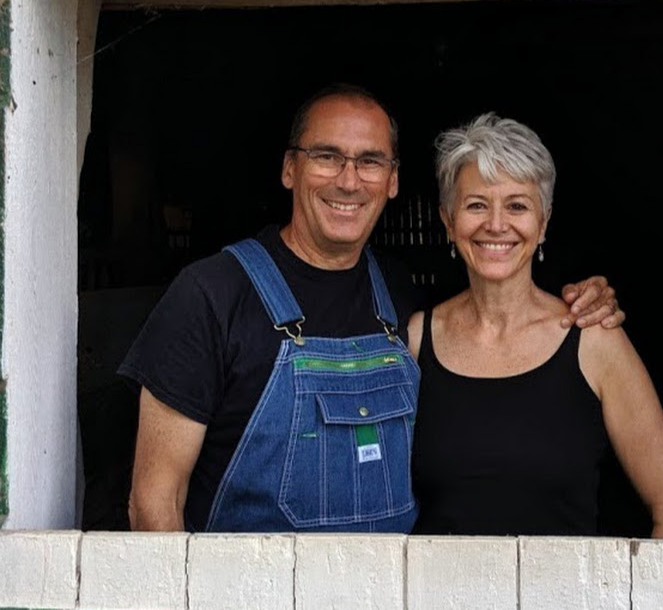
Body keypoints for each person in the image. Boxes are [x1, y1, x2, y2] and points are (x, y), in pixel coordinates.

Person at [118, 84, 625, 533]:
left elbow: (498, 308)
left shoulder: (403, 298)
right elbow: (154, 503)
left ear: (393, 180)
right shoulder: (211, 295)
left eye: (370, 161)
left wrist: (583, 301)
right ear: (290, 168)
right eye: (327, 156)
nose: (348, 181)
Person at [409, 112, 663, 539]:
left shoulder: (594, 339)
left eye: (517, 205)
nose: (496, 224)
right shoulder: (417, 340)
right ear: (448, 221)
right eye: (476, 205)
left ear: (543, 222)